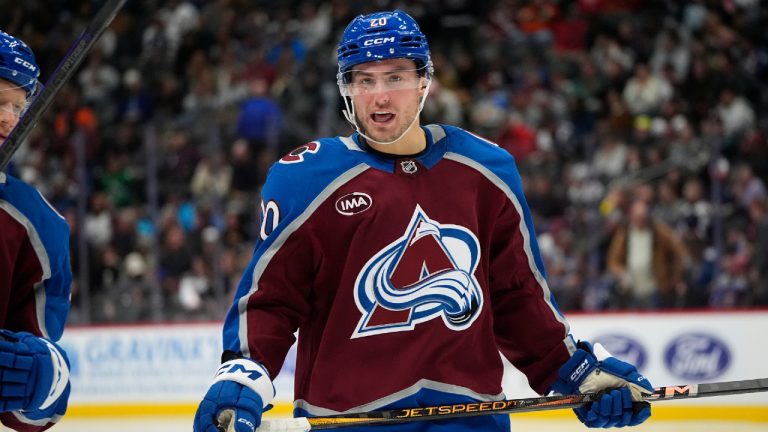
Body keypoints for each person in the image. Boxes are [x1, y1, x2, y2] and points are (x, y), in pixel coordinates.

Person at [193, 10, 653, 432]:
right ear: (345, 88)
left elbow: (515, 294)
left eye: (395, 76)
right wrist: (244, 374)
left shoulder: (485, 170)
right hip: (350, 423)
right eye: (363, 80)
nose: (379, 95)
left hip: (470, 421)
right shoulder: (306, 178)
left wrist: (573, 371)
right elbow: (272, 298)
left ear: (424, 82)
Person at [0, 30, 73, 431]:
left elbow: (26, 413)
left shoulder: (37, 226)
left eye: (17, 105)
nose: (8, 118)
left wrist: (43, 381)